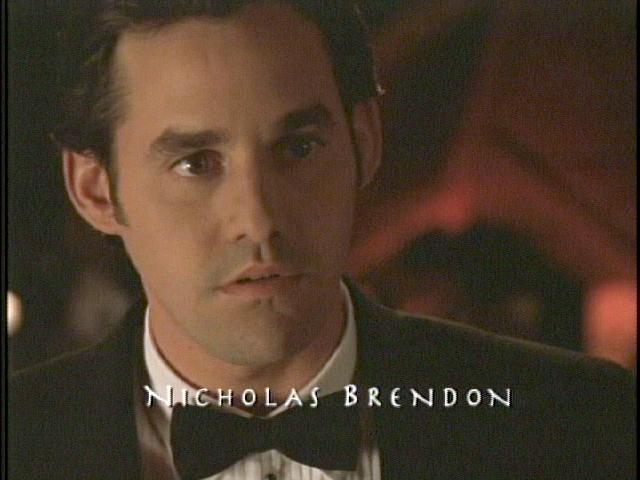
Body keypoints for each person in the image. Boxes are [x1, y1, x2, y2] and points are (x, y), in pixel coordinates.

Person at [9, 1, 635, 479]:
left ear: (364, 143)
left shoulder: (584, 425)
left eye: (299, 147)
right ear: (96, 190)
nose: (259, 219)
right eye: (195, 163)